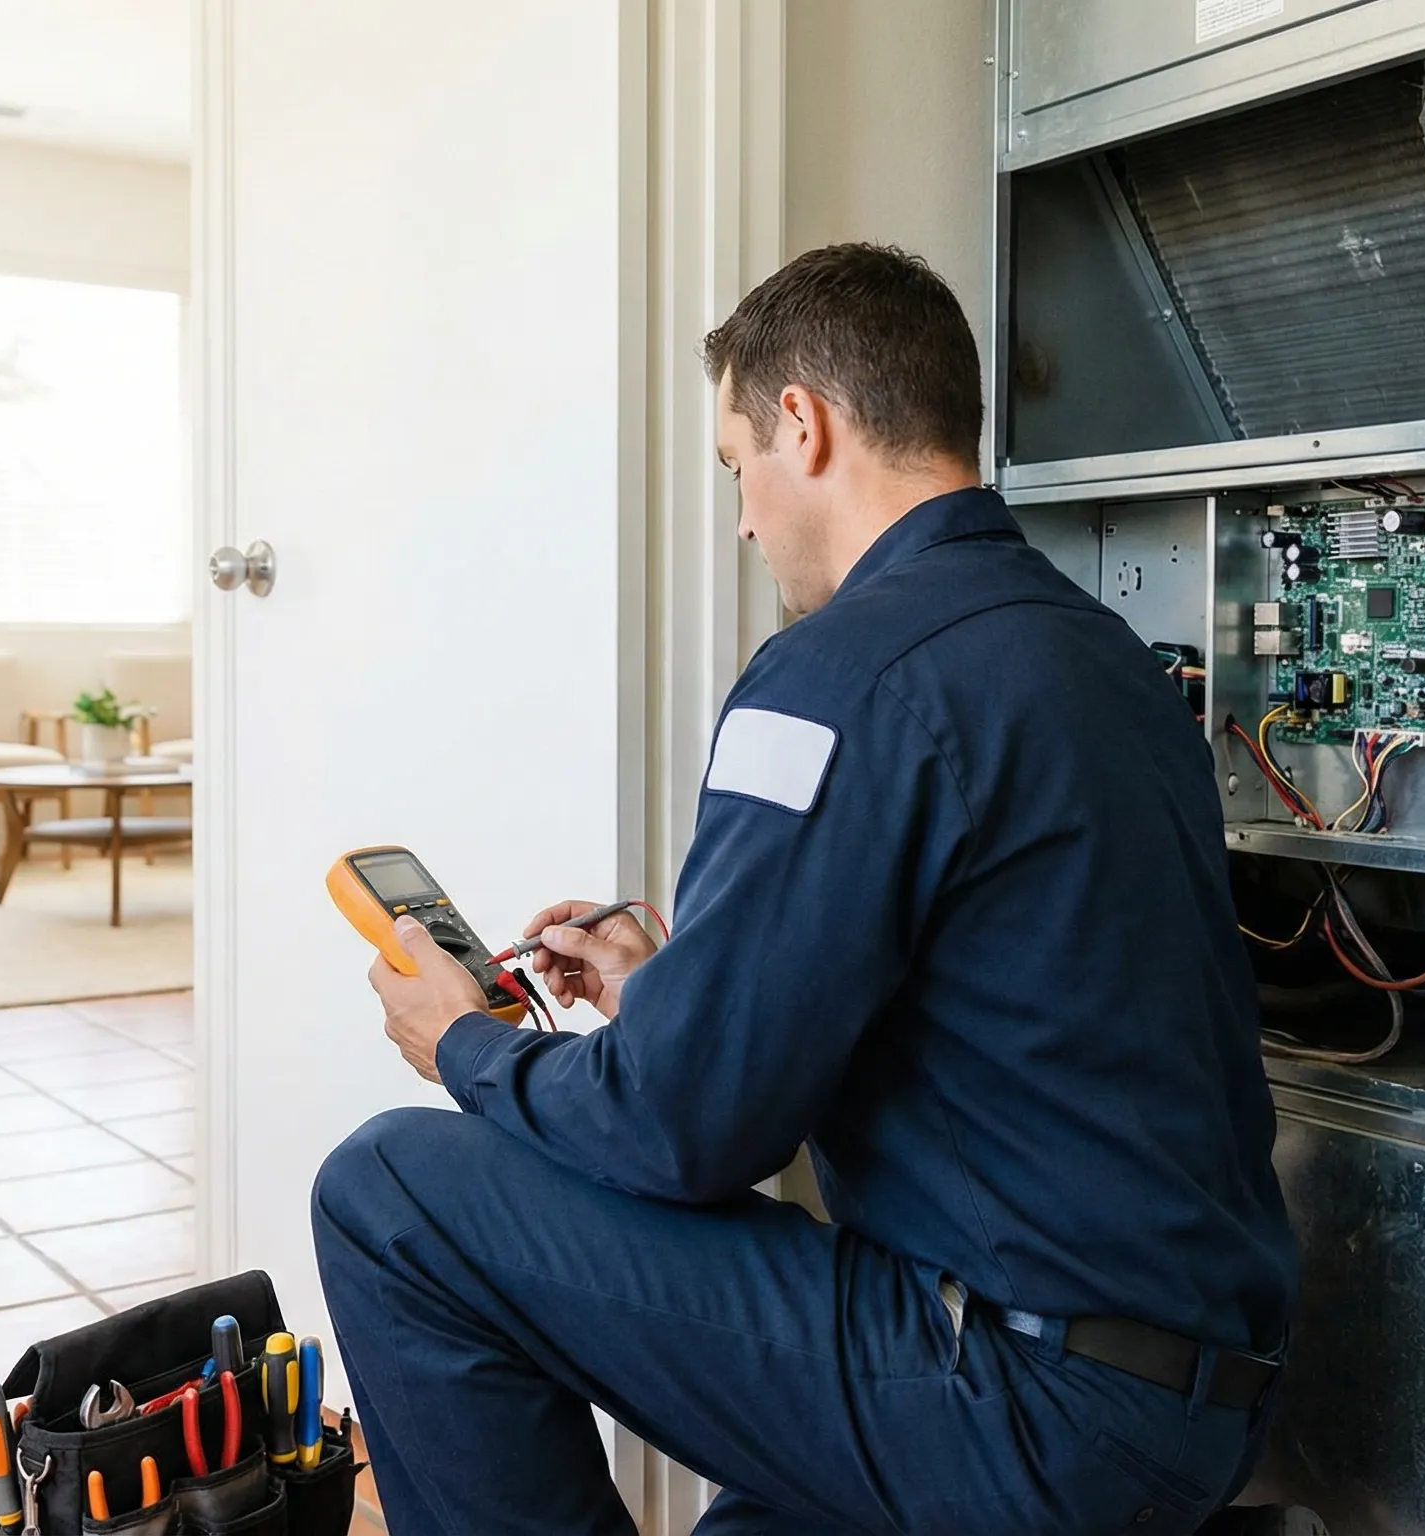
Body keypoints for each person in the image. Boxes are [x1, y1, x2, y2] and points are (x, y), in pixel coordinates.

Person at [312, 243, 1298, 1535]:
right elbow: (979, 1005)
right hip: (1200, 1397)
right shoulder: (1104, 659)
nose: (741, 518)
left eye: (737, 468)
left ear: (803, 423)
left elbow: (689, 1131)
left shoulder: (835, 674)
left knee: (389, 1191)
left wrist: (465, 1046)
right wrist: (668, 986)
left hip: (1029, 1406)